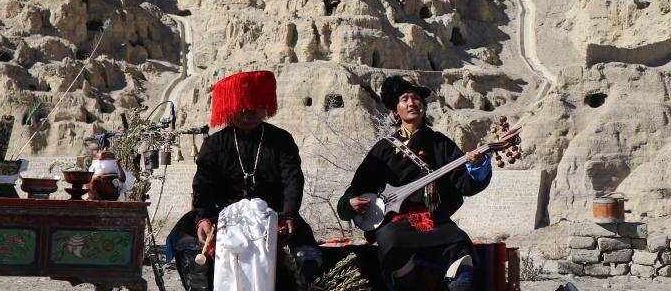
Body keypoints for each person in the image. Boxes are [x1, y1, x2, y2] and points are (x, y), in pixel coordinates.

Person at [170, 70, 321, 291]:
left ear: (264, 106)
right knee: (187, 246)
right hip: (221, 216)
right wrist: (202, 218)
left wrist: (289, 214)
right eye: (241, 106)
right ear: (229, 108)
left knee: (303, 257)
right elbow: (203, 185)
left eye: (254, 105)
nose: (247, 111)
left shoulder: (281, 140)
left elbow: (293, 180)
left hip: (275, 215)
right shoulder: (214, 144)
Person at [337, 75, 492, 291]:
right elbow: (356, 189)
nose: (411, 103)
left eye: (416, 98)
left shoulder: (440, 143)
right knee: (390, 239)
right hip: (396, 224)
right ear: (395, 111)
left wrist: (478, 164)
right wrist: (349, 203)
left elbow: (465, 184)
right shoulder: (384, 148)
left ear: (424, 107)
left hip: (434, 221)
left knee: (459, 242)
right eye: (404, 99)